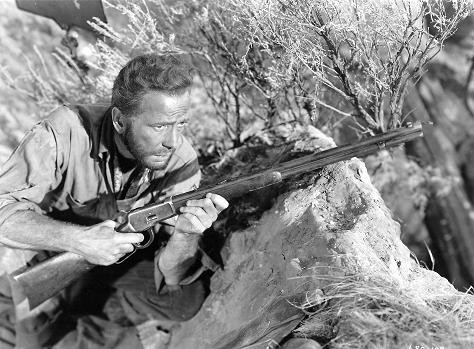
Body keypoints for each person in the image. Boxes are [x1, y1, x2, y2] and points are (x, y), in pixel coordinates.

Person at [0, 54, 228, 348]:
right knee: (36, 336)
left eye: (180, 124)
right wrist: (81, 241)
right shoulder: (67, 130)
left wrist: (185, 234)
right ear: (120, 120)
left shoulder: (180, 159)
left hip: (120, 259)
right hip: (49, 252)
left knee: (185, 298)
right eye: (159, 126)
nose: (172, 141)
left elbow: (172, 274)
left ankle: (100, 316)